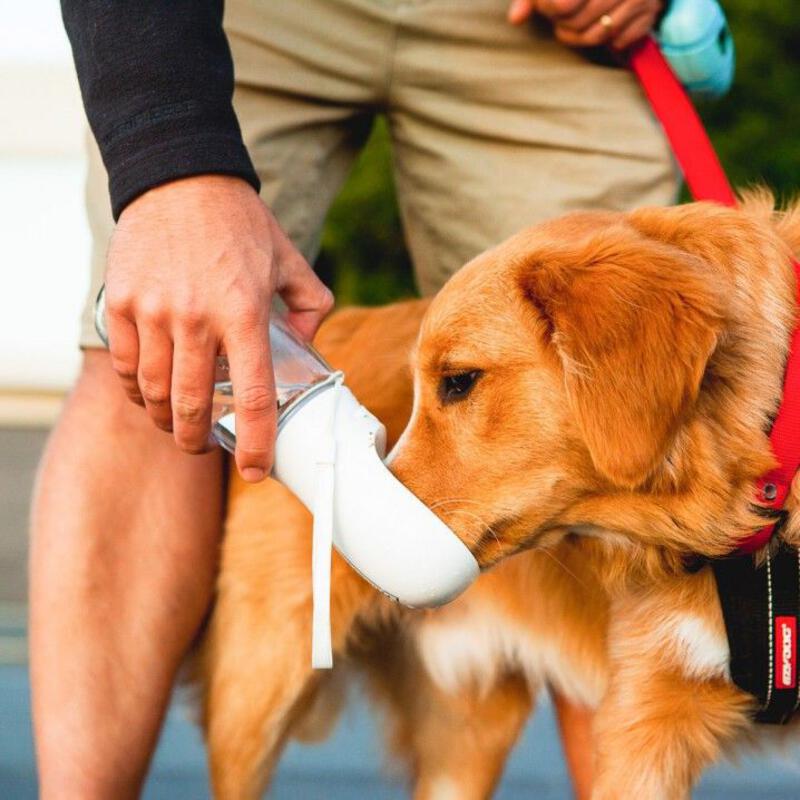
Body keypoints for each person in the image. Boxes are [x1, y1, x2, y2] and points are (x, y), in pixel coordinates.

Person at [31, 0, 673, 796]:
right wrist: (167, 155)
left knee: (619, 371)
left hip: (537, 28)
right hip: (247, 16)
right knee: (155, 357)